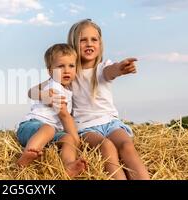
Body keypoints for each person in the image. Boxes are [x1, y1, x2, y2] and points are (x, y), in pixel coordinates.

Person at [28, 19, 150, 180]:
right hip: (85, 127)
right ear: (74, 44)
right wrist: (45, 96)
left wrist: (120, 68)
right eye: (83, 40)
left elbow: (111, 71)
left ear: (100, 44)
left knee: (126, 146)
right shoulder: (69, 72)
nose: (89, 44)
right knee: (107, 147)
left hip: (111, 123)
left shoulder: (102, 68)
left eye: (94, 39)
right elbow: (31, 91)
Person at [17, 43, 87, 178]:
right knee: (51, 130)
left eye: (71, 66)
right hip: (31, 127)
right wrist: (77, 140)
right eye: (61, 66)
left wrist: (71, 139)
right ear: (50, 71)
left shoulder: (63, 87)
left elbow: (31, 91)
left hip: (51, 133)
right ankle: (27, 156)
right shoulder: (55, 87)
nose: (66, 70)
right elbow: (64, 116)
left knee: (66, 139)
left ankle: (69, 165)